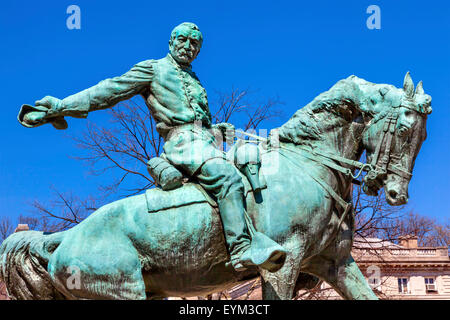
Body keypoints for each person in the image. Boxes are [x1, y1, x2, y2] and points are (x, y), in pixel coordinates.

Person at [19, 22, 287, 272]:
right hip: (182, 146)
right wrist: (63, 106)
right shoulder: (153, 69)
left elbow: (196, 122)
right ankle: (240, 249)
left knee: (252, 171)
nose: (188, 46)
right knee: (227, 177)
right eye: (182, 39)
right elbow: (108, 90)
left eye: (195, 44)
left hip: (205, 143)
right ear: (170, 42)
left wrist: (216, 130)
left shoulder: (195, 80)